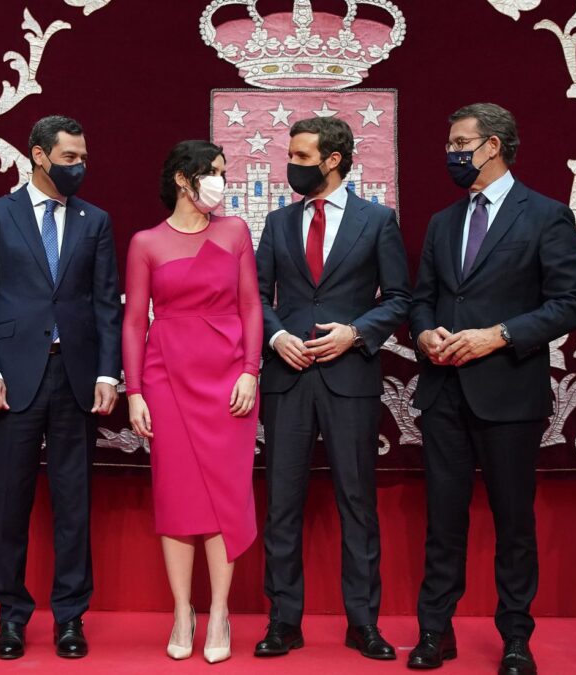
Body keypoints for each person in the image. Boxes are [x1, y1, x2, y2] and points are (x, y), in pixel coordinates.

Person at [406, 103, 576, 673]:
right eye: (449, 142)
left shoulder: (546, 215)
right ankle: (435, 630)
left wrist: (500, 336)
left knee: (514, 522)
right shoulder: (442, 221)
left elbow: (571, 302)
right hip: (443, 392)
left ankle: (515, 636)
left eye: (460, 142)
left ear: (492, 146)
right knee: (444, 519)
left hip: (509, 393)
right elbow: (423, 297)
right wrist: (425, 332)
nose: (450, 153)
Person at [0, 115, 122, 660]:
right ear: (39, 155)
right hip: (11, 378)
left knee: (73, 504)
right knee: (11, 502)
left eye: (83, 158)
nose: (79, 166)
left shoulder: (95, 220)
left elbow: (106, 303)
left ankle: (71, 618)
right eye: (70, 157)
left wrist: (108, 372)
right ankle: (10, 616)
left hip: (76, 377)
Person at [254, 116, 412, 660]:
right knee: (281, 505)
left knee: (357, 502)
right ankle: (283, 621)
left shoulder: (377, 221)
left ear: (333, 160)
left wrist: (356, 333)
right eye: (290, 155)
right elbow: (255, 296)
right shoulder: (277, 224)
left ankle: (363, 623)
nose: (291, 166)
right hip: (287, 378)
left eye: (301, 157)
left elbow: (398, 298)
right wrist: (275, 339)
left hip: (350, 379)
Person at [122, 140, 261, 664]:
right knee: (177, 496)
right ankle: (184, 609)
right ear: (184, 178)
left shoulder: (235, 232)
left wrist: (250, 371)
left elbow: (251, 304)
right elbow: (135, 320)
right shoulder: (146, 243)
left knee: (227, 494)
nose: (221, 182)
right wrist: (135, 390)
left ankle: (220, 610)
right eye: (213, 172)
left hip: (228, 378)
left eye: (224, 172)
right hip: (166, 379)